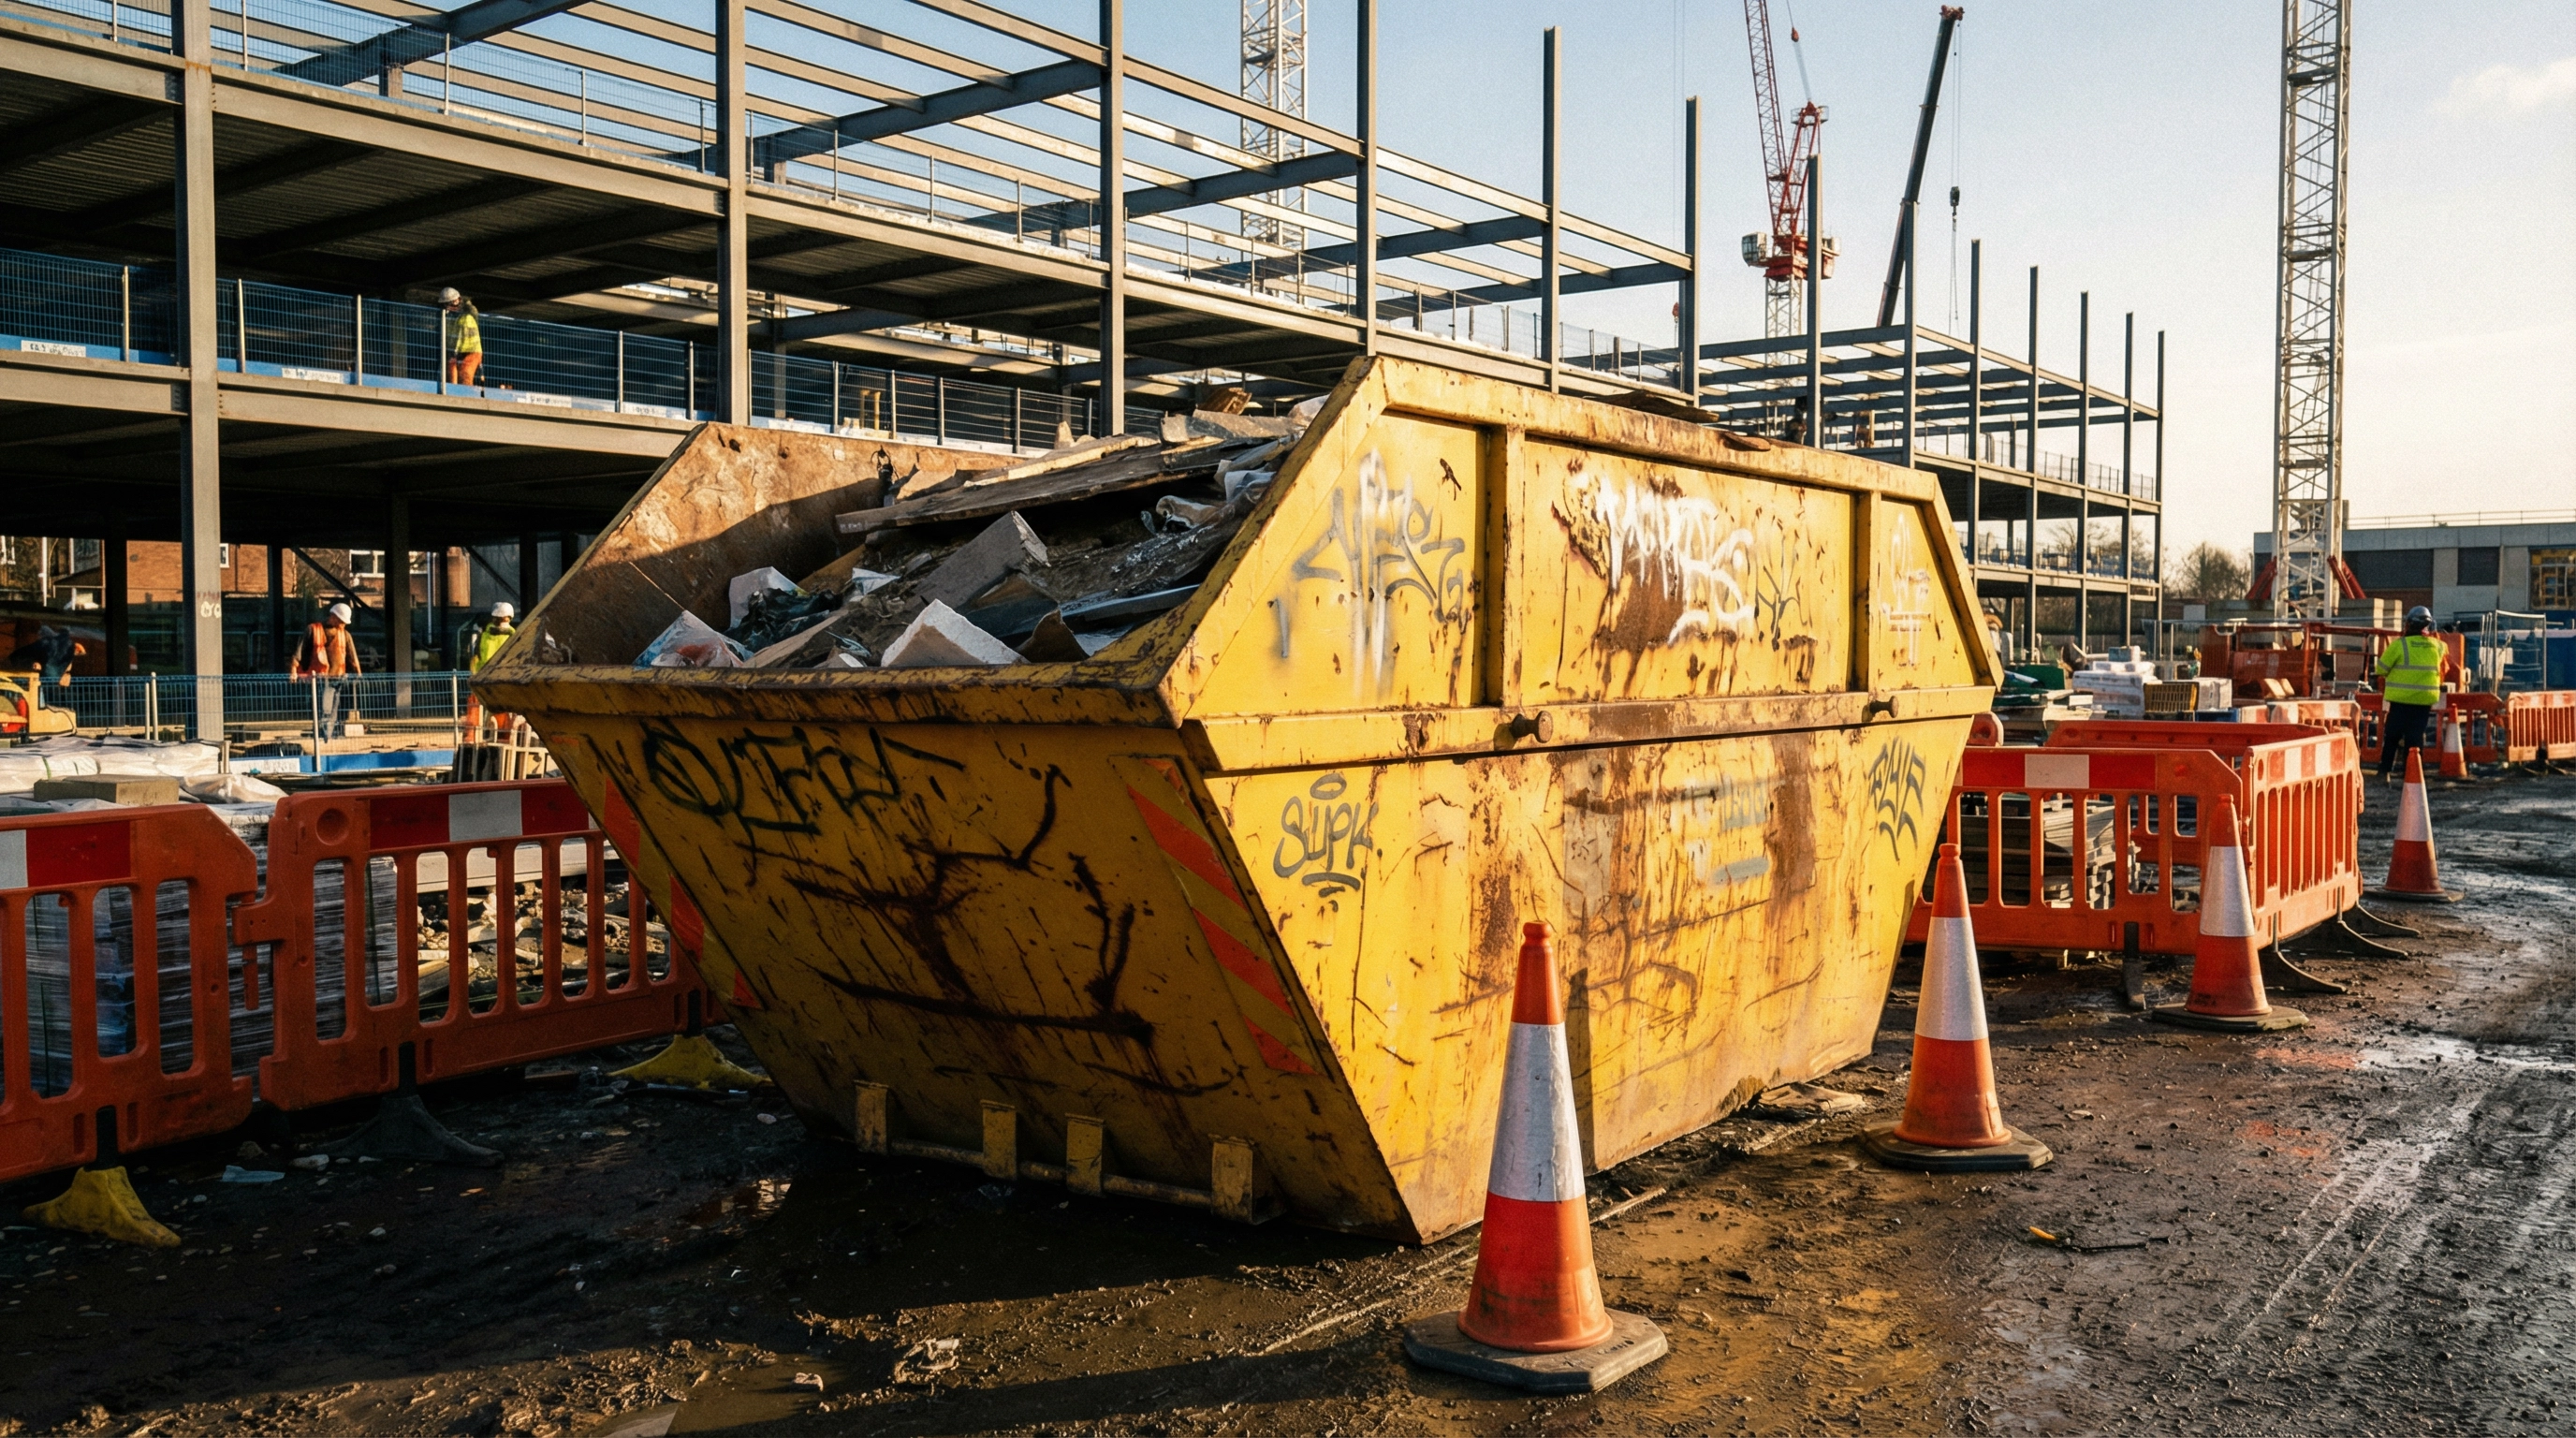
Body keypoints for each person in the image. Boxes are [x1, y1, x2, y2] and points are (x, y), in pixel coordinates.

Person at [2372, 606, 2447, 785]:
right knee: (2415, 738)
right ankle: (2412, 774)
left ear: (2408, 624)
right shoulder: (2438, 647)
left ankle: (2385, 772)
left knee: (2392, 737)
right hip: (2423, 701)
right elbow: (2443, 665)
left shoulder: (2399, 645)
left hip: (2400, 701)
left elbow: (2380, 669)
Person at [293, 601, 361, 741]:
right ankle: (322, 735)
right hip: (319, 678)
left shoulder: (345, 635)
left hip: (338, 678)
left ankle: (326, 735)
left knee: (333, 710)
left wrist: (358, 673)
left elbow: (352, 656)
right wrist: (294, 671)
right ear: (334, 616)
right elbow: (299, 652)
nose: (343, 625)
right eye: (342, 621)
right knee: (323, 708)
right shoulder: (313, 630)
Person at [462, 601, 517, 734]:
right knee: (499, 709)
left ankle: (487, 732)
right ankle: (497, 732)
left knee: (488, 709)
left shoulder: (486, 635)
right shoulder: (513, 636)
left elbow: (476, 656)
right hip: (497, 680)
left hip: (488, 679)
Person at [440, 286, 483, 388]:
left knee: (465, 375)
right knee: (452, 377)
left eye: (451, 303)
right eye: (447, 304)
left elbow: (473, 312)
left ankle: (467, 398)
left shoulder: (468, 315)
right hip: (456, 352)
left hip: (472, 351)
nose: (449, 307)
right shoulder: (448, 319)